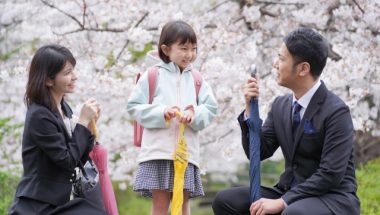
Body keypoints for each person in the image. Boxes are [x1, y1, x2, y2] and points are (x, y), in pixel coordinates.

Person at [212, 28, 360, 215]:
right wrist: (250, 110)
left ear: (303, 69)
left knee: (293, 213)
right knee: (225, 201)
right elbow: (258, 152)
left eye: (282, 59)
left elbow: (330, 174)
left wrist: (283, 202)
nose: (275, 64)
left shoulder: (336, 112)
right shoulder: (281, 106)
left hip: (331, 197)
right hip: (289, 190)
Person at [127, 20, 218, 215]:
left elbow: (210, 108)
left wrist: (194, 112)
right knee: (160, 206)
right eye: (184, 48)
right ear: (166, 49)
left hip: (186, 155)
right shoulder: (152, 76)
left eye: (193, 48)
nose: (190, 54)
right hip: (158, 152)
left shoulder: (198, 80)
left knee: (183, 205)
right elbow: (134, 107)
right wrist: (161, 112)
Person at [9, 44, 107, 215]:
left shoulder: (63, 108)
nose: (74, 77)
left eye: (73, 71)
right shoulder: (39, 115)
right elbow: (67, 160)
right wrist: (82, 121)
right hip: (37, 206)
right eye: (67, 73)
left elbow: (78, 160)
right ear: (48, 80)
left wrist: (89, 128)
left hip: (57, 202)